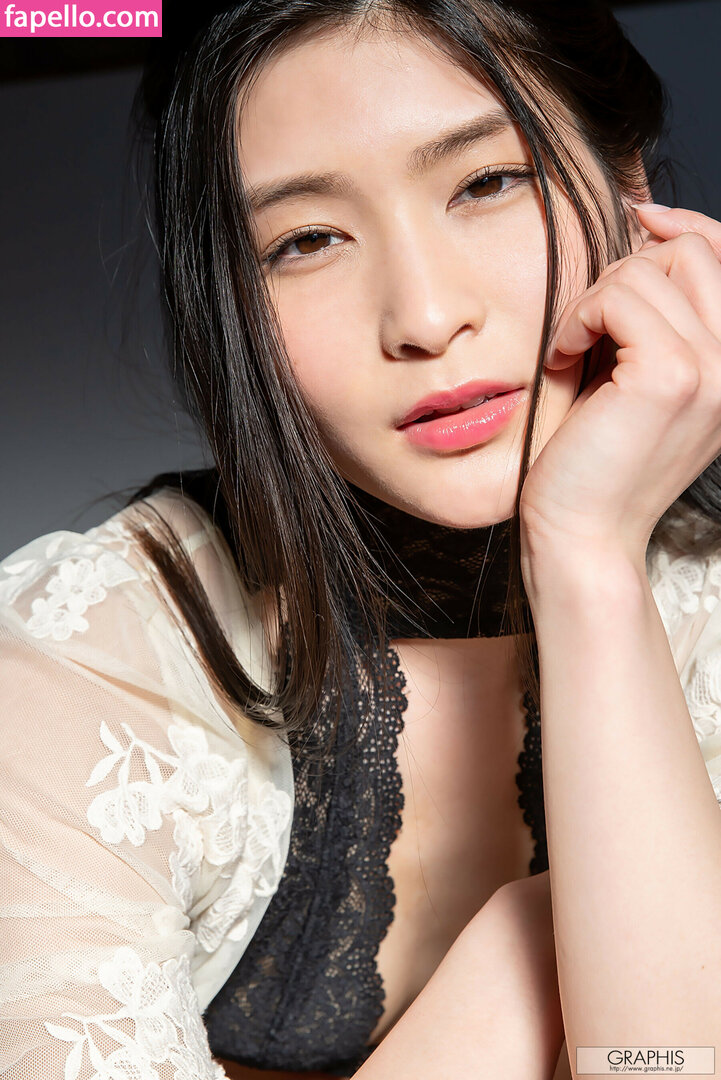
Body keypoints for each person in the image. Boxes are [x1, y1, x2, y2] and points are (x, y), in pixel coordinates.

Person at [3, 2, 721, 1078]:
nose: (424, 317)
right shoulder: (77, 670)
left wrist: (587, 561)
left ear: (630, 189)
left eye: (487, 182)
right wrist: (519, 963)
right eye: (306, 241)